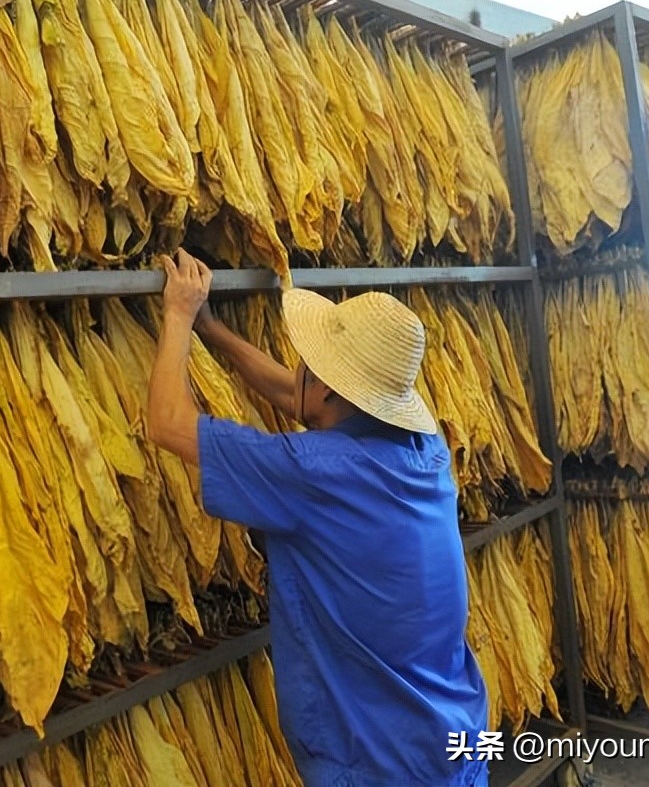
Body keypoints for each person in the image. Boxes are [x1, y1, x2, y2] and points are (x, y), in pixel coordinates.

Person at [147, 248, 490, 787]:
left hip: (381, 762)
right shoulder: (427, 449)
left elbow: (167, 421)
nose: (298, 368)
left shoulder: (314, 474)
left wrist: (178, 317)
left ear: (330, 385)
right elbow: (299, 394)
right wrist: (213, 330)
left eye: (307, 361)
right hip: (456, 737)